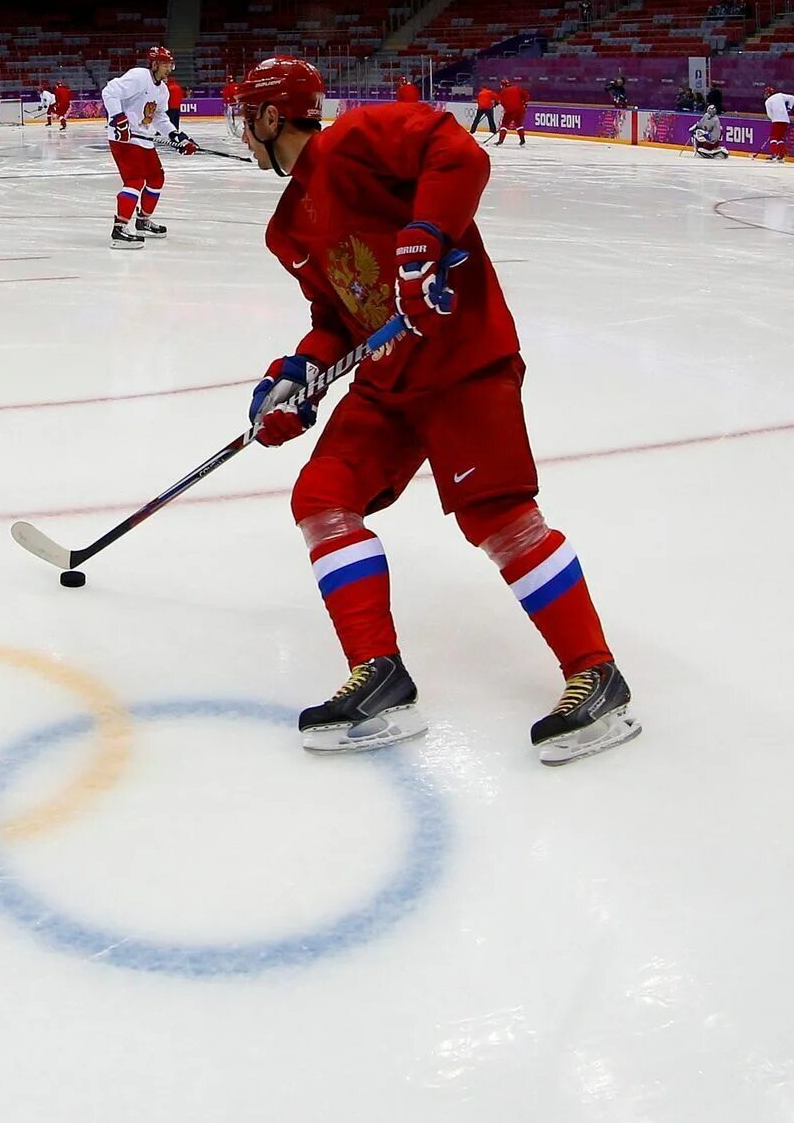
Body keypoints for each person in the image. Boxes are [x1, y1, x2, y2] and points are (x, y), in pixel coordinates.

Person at [231, 54, 635, 766]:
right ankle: (380, 673)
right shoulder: (287, 227)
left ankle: (596, 672)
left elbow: (458, 153)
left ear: (269, 117)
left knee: (499, 517)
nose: (241, 130)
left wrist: (427, 237)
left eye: (246, 116)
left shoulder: (356, 140)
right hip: (390, 385)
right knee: (321, 495)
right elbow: (337, 316)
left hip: (462, 359)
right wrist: (297, 377)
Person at [101, 44, 197, 249]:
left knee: (156, 178)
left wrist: (177, 137)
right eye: (166, 65)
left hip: (142, 137)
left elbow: (160, 117)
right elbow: (109, 92)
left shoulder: (162, 90)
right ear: (154, 64)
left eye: (171, 65)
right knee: (135, 180)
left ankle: (143, 221)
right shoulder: (139, 76)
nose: (170, 69)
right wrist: (118, 119)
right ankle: (120, 229)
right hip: (124, 138)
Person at [495, 78, 529, 147]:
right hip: (520, 109)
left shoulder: (503, 92)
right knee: (519, 124)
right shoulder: (517, 88)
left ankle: (501, 140)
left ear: (503, 85)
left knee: (504, 125)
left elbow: (501, 102)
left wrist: (497, 103)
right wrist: (524, 103)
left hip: (510, 111)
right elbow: (527, 96)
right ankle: (522, 140)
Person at [764, 86, 792, 162]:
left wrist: (774, 119)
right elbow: (792, 98)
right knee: (780, 138)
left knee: (773, 138)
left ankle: (774, 155)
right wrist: (789, 108)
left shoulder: (768, 101)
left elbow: (770, 115)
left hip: (776, 121)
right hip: (786, 121)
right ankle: (781, 156)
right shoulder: (780, 95)